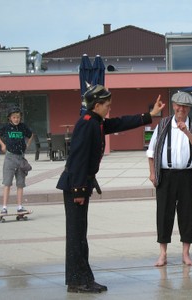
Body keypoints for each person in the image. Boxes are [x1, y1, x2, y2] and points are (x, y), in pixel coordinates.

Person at [56, 84, 164, 294]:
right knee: (76, 236)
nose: (109, 109)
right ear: (97, 105)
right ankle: (77, 281)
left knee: (80, 235)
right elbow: (77, 157)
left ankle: (83, 278)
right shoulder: (87, 123)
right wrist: (78, 190)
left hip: (81, 184)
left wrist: (148, 116)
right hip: (75, 186)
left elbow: (119, 123)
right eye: (107, 105)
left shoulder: (95, 121)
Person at [147, 91, 192, 267]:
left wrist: (187, 131)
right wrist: (152, 173)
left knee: (188, 214)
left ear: (189, 109)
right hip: (166, 175)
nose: (182, 109)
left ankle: (186, 253)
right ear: (173, 106)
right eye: (179, 106)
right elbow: (151, 151)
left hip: (188, 176)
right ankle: (163, 253)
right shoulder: (163, 124)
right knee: (164, 213)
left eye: (185, 107)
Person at [0, 106, 33, 215]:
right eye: (14, 117)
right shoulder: (6, 127)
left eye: (18, 117)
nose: (16, 119)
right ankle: (4, 207)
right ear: (9, 118)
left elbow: (31, 134)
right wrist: (2, 144)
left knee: (20, 184)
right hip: (10, 157)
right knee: (7, 183)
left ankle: (19, 206)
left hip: (20, 158)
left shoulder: (23, 127)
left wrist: (27, 144)